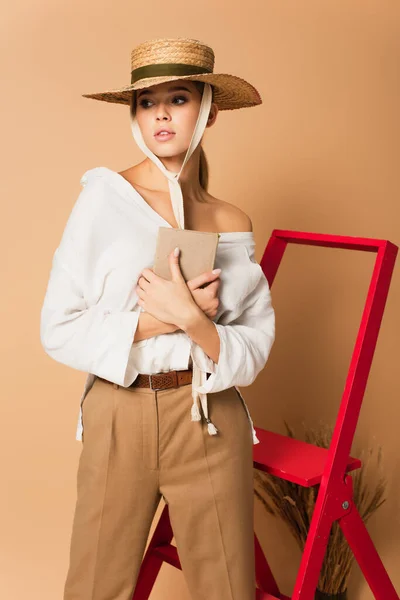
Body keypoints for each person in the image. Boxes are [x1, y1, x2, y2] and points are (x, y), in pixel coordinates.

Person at [40, 37, 276, 600]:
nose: (162, 113)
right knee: (96, 585)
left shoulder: (231, 219)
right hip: (119, 414)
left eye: (178, 98)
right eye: (147, 102)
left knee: (226, 588)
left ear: (208, 110)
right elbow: (59, 327)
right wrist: (162, 320)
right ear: (134, 116)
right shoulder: (104, 198)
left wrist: (198, 325)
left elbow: (254, 343)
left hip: (210, 418)